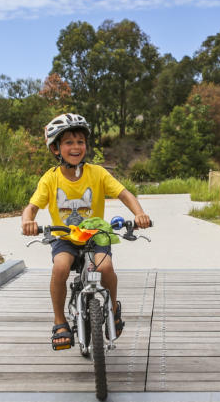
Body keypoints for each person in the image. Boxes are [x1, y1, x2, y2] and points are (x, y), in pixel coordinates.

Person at [21, 113, 151, 350]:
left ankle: (113, 309)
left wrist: (139, 213)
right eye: (68, 142)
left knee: (105, 267)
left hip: (95, 235)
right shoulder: (50, 179)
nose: (76, 146)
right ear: (55, 148)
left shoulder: (97, 173)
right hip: (65, 238)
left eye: (80, 141)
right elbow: (31, 207)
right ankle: (59, 321)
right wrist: (28, 220)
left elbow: (124, 194)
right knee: (60, 267)